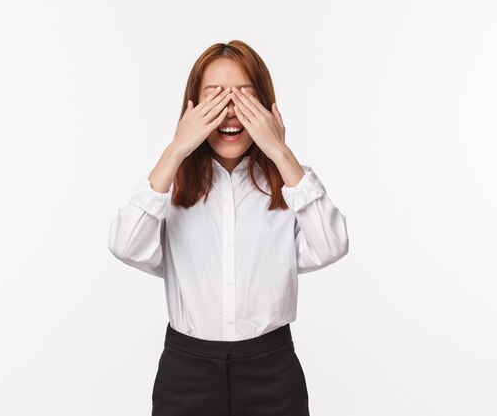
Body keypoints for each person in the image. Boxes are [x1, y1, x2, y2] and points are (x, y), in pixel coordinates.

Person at [108, 39, 349, 416]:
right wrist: (175, 150)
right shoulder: (168, 188)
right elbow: (125, 245)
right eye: (214, 98)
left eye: (244, 97)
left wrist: (282, 153)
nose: (229, 111)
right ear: (192, 109)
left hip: (272, 371)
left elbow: (332, 244)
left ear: (267, 108)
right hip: (187, 372)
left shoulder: (291, 186)